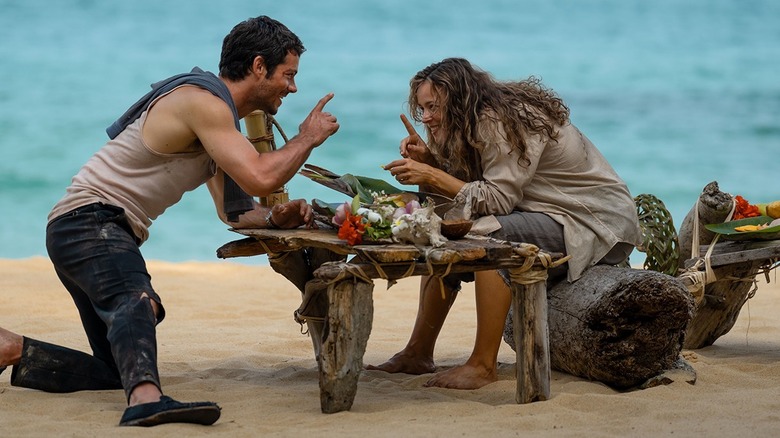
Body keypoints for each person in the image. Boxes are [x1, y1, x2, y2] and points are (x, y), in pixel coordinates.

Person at [0, 16, 339, 427]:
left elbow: (235, 212)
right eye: (288, 75)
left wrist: (275, 216)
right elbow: (261, 176)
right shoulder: (203, 103)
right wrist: (307, 137)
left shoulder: (219, 122)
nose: (293, 87)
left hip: (80, 228)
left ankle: (11, 348)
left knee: (116, 370)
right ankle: (145, 401)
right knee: (137, 301)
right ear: (258, 66)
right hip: (91, 221)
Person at [371, 58, 641, 389]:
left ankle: (483, 365)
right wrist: (431, 163)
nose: (426, 117)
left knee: (489, 235)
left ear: (459, 101)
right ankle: (417, 353)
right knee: (445, 232)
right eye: (422, 108)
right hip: (549, 214)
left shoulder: (499, 121)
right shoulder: (471, 124)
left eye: (433, 107)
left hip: (595, 223)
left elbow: (497, 201)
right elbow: (467, 199)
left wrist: (432, 174)